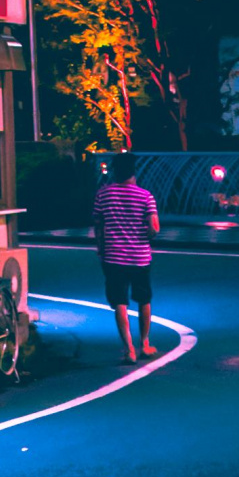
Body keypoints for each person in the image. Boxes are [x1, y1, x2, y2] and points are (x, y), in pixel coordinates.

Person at [93, 152, 160, 363]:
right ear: (134, 171)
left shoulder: (103, 195)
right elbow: (154, 228)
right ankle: (145, 344)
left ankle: (129, 349)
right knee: (144, 300)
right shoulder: (145, 196)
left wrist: (101, 249)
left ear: (114, 171)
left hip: (113, 257)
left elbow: (99, 227)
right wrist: (145, 235)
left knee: (120, 302)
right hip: (140, 256)